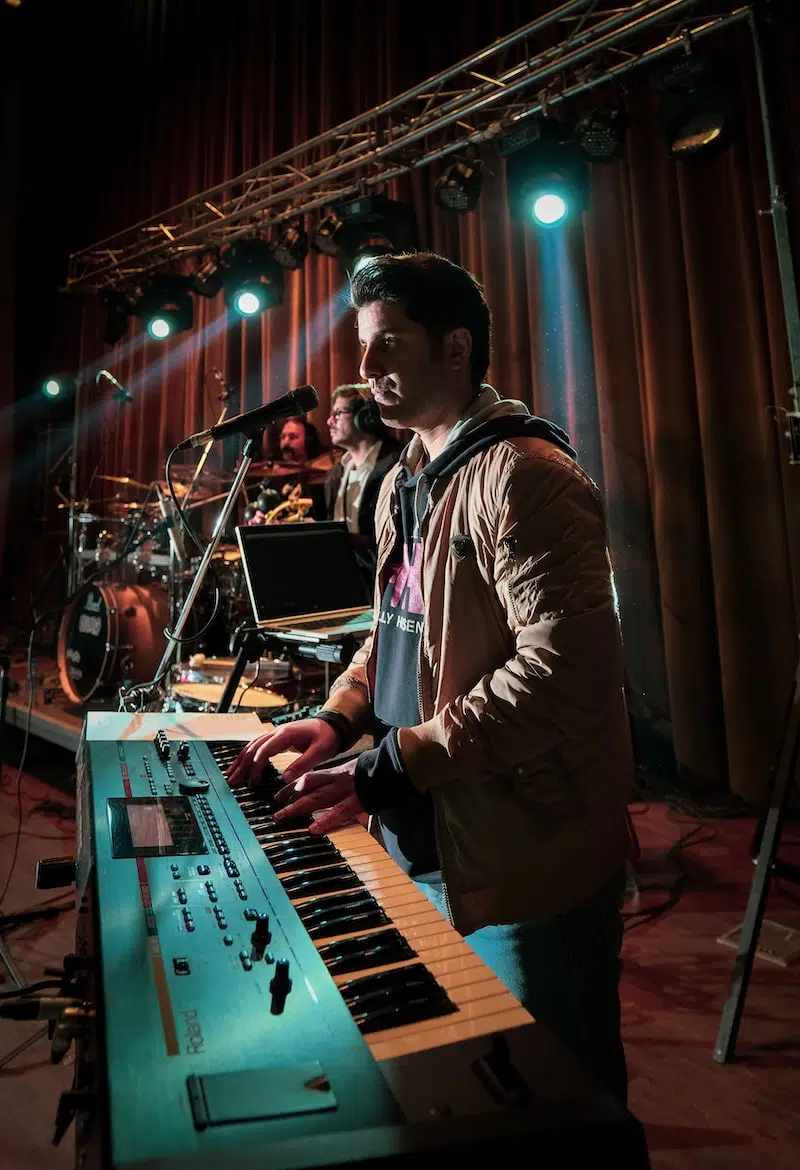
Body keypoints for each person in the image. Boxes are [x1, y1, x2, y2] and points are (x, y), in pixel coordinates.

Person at [227, 252, 634, 1106]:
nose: (365, 369)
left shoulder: (524, 474)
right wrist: (340, 720)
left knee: (563, 1104)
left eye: (387, 345)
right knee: (475, 1099)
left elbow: (565, 673)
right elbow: (399, 630)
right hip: (437, 830)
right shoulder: (410, 472)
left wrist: (392, 765)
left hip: (528, 858)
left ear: (455, 349)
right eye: (362, 346)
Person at [323, 383, 401, 582]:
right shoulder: (336, 474)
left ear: (366, 417)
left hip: (384, 586)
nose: (329, 421)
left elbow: (400, 542)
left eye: (339, 413)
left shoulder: (397, 466)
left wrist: (340, 540)